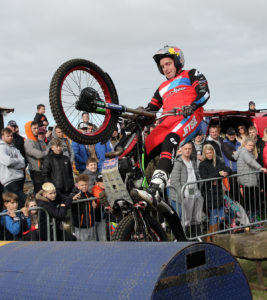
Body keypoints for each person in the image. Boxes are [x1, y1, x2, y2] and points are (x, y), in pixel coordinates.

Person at [132, 45, 210, 204]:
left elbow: (205, 92)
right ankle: (134, 183)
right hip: (167, 121)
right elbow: (151, 109)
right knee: (142, 148)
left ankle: (157, 186)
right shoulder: (161, 88)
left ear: (177, 61)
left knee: (171, 139)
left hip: (190, 116)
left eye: (168, 64)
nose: (165, 69)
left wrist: (193, 106)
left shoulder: (191, 73)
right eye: (162, 67)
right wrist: (138, 117)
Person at [199, 144, 232, 242]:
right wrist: (218, 174)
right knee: (214, 216)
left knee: (220, 217)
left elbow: (228, 169)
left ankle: (211, 238)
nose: (209, 154)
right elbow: (204, 178)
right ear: (204, 154)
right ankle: (211, 239)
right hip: (209, 192)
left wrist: (226, 173)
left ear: (213, 152)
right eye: (207, 153)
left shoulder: (218, 161)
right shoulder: (203, 164)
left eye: (210, 152)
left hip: (218, 191)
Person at [169, 142, 203, 237]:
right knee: (185, 219)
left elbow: (196, 175)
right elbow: (175, 182)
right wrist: (182, 195)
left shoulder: (193, 161)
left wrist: (200, 185)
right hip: (183, 193)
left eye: (189, 149)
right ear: (181, 150)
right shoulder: (178, 163)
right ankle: (184, 238)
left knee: (194, 217)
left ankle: (195, 236)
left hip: (193, 190)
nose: (188, 151)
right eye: (186, 149)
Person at [233, 137, 267, 222]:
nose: (251, 147)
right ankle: (252, 219)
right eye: (249, 145)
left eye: (252, 145)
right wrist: (260, 168)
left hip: (249, 180)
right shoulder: (244, 151)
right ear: (245, 144)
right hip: (247, 181)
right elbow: (250, 161)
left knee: (252, 200)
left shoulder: (246, 151)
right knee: (250, 201)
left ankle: (253, 218)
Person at [0, 128, 26, 208]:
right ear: (3, 137)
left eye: (11, 136)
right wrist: (17, 162)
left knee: (20, 204)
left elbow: (23, 162)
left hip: (19, 178)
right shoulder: (1, 148)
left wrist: (14, 163)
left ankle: (22, 220)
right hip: (9, 180)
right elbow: (7, 162)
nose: (10, 137)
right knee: (22, 201)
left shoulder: (14, 148)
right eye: (8, 136)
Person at [70, 174, 96, 241]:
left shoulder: (90, 195)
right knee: (82, 245)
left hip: (91, 224)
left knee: (92, 243)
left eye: (86, 184)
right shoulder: (75, 195)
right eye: (82, 185)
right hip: (81, 226)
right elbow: (69, 203)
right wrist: (72, 199)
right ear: (78, 186)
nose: (84, 186)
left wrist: (94, 201)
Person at [24, 121, 49, 193]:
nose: (36, 130)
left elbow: (45, 151)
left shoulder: (40, 141)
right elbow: (39, 155)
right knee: (39, 192)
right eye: (34, 128)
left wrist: (45, 152)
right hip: (36, 171)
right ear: (29, 129)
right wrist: (46, 152)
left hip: (45, 169)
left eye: (37, 128)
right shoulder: (28, 142)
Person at [221, 128, 241, 200]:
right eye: (230, 135)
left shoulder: (239, 143)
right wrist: (238, 153)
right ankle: (235, 209)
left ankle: (242, 208)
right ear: (226, 135)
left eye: (233, 134)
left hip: (240, 170)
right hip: (231, 171)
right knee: (234, 192)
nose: (232, 136)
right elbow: (231, 157)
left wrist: (236, 153)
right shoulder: (225, 144)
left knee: (241, 191)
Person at [91, 173, 107, 241]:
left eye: (104, 181)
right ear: (97, 183)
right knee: (97, 238)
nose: (103, 183)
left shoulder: (106, 189)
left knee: (103, 237)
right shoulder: (95, 189)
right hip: (96, 217)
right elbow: (99, 199)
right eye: (101, 181)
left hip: (103, 217)